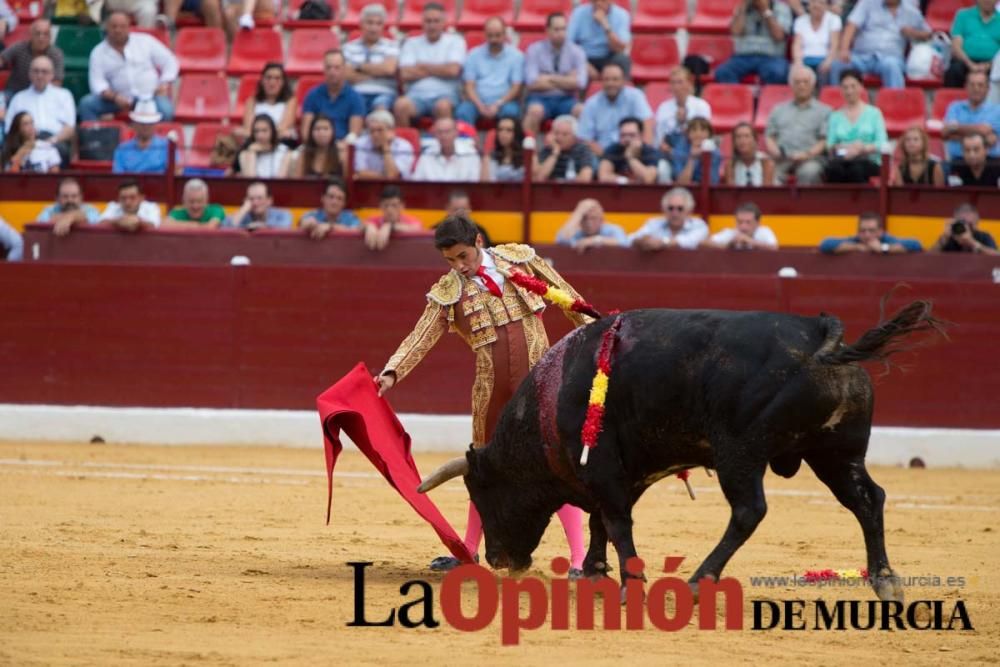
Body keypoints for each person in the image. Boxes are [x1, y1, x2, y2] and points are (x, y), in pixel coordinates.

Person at [374, 215, 592, 575]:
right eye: (450, 261)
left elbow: (567, 298)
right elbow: (421, 335)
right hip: (491, 390)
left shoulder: (519, 260)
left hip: (540, 381)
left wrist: (598, 334)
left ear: (477, 241)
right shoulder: (448, 290)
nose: (460, 267)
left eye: (463, 256)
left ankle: (580, 560)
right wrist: (392, 372)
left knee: (556, 464)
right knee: (483, 468)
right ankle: (468, 552)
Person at [79, 11, 179, 121]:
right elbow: (97, 83)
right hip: (118, 99)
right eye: (114, 26)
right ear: (107, 28)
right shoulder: (98, 52)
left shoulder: (145, 41)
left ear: (129, 27)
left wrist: (164, 83)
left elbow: (170, 61)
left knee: (166, 111)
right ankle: (95, 137)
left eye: (122, 26)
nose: (118, 30)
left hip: (150, 96)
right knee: (86, 105)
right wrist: (115, 97)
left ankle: (156, 138)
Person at [829, 0, 930, 90]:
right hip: (861, 56)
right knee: (838, 64)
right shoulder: (868, 3)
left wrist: (913, 32)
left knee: (892, 66)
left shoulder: (910, 11)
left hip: (889, 58)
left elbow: (928, 34)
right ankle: (836, 105)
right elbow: (852, 25)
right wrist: (844, 49)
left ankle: (894, 106)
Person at [394, 2, 466, 127]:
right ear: (422, 22)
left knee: (442, 106)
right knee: (400, 105)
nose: (432, 25)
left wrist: (422, 66)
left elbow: (452, 71)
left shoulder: (455, 41)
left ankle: (442, 146)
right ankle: (406, 144)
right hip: (416, 96)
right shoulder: (411, 43)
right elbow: (405, 73)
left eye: (436, 21)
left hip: (446, 95)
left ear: (444, 22)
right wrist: (440, 68)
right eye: (428, 21)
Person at [523, 11, 587, 136]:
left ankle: (579, 153)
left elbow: (580, 82)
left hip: (566, 99)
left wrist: (546, 78)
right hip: (540, 98)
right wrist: (567, 79)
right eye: (556, 29)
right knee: (534, 111)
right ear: (547, 30)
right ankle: (529, 151)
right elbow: (531, 82)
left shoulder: (577, 51)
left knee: (582, 111)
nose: (561, 33)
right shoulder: (534, 50)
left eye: (563, 29)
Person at [765, 64, 830, 185]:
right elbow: (769, 136)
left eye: (805, 82)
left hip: (811, 159)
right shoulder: (778, 110)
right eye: (797, 82)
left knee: (809, 172)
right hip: (783, 159)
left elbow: (824, 140)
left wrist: (807, 154)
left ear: (813, 85)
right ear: (791, 85)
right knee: (768, 171)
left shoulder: (825, 111)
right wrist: (776, 152)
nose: (801, 86)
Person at [4, 56, 74, 166]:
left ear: (52, 74)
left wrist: (50, 141)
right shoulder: (19, 98)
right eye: (36, 71)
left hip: (54, 141)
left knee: (62, 151)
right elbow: (10, 128)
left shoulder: (64, 95)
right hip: (25, 141)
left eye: (44, 72)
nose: (40, 75)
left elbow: (69, 129)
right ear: (29, 73)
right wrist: (29, 143)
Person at [456, 17, 523, 126]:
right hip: (477, 102)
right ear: (485, 35)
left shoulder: (516, 56)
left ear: (505, 34)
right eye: (490, 35)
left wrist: (498, 104)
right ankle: (466, 142)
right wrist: (480, 105)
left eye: (498, 35)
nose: (494, 39)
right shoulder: (473, 55)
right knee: (463, 111)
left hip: (504, 102)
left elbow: (516, 87)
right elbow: (469, 86)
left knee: (511, 112)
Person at [824, 68, 888, 183]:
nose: (849, 91)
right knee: (833, 169)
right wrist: (842, 149)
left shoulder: (874, 113)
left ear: (861, 87)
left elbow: (882, 142)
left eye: (853, 86)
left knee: (856, 169)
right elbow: (830, 144)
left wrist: (862, 148)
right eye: (845, 87)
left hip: (868, 160)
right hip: (842, 158)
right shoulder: (835, 116)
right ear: (840, 90)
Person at [577, 62, 653, 157]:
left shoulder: (635, 97)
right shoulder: (591, 103)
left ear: (623, 80)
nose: (610, 83)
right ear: (601, 81)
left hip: (634, 153)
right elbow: (585, 138)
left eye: (615, 79)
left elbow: (647, 124)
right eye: (607, 79)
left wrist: (644, 152)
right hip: (602, 154)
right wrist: (608, 157)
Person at [715, 0, 793, 85]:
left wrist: (765, 10)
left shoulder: (781, 8)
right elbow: (736, 32)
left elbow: (779, 36)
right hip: (743, 56)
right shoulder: (742, 7)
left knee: (778, 73)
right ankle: (739, 97)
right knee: (723, 73)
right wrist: (743, 9)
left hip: (772, 56)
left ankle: (767, 97)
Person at [343, 3, 400, 114]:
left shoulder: (392, 46)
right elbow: (346, 75)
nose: (374, 28)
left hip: (384, 92)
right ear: (361, 24)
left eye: (378, 24)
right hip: (356, 93)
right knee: (354, 107)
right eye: (370, 23)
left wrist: (358, 67)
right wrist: (377, 72)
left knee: (380, 110)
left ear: (383, 26)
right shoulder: (348, 47)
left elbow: (389, 69)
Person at [301, 50, 366, 142]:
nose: (332, 72)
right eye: (328, 67)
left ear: (344, 69)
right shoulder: (313, 95)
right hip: (316, 147)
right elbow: (306, 132)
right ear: (324, 69)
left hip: (342, 148)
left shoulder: (355, 98)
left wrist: (337, 149)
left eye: (337, 67)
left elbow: (354, 134)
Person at [654, 66, 712, 164]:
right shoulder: (663, 107)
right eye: (673, 82)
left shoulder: (702, 106)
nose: (676, 86)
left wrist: (684, 122)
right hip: (669, 153)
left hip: (695, 151)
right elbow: (659, 137)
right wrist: (666, 148)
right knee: (662, 166)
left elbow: (705, 134)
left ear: (689, 84)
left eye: (680, 82)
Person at [942, 71, 1000, 163]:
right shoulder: (955, 107)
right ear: (966, 87)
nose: (976, 88)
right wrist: (981, 135)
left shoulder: (997, 110)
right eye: (972, 85)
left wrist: (955, 129)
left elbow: (988, 135)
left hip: (990, 163)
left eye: (980, 85)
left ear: (988, 88)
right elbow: (945, 133)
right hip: (958, 161)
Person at [567, 0, 631, 79]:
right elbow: (568, 44)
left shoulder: (622, 15)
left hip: (609, 57)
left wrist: (605, 24)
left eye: (602, 0)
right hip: (585, 56)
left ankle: (623, 90)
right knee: (569, 61)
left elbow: (619, 49)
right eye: (595, 1)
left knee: (622, 60)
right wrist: (583, 63)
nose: (598, 3)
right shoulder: (578, 13)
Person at [628, 187, 709, 250]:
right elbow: (630, 239)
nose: (675, 213)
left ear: (689, 211)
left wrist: (663, 242)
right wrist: (640, 241)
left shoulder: (699, 226)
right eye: (670, 208)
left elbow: (690, 241)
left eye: (680, 209)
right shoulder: (653, 224)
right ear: (664, 210)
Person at [0, 19, 65, 97]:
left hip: (43, 94)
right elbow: (2, 59)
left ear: (50, 37)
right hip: (16, 91)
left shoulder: (56, 54)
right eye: (37, 34)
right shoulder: (19, 47)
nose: (41, 38)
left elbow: (57, 82)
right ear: (31, 35)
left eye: (46, 34)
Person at [944, 0, 1000, 89]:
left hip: (994, 64)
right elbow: (956, 46)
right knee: (954, 71)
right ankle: (952, 101)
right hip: (965, 61)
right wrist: (970, 64)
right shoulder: (963, 15)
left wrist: (989, 65)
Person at [412, 117, 481, 181]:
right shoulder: (426, 155)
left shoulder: (470, 154)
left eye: (447, 132)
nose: (443, 136)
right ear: (434, 135)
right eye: (440, 132)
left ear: (456, 133)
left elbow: (475, 185)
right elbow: (417, 183)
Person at [242, 63, 296, 144]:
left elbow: (284, 126)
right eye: (268, 78)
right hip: (256, 142)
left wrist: (263, 137)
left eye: (277, 78)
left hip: (281, 143)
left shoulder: (290, 101)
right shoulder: (252, 101)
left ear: (283, 82)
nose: (272, 82)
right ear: (262, 81)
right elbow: (249, 128)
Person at [112, 99, 171, 174]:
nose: (146, 127)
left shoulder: (167, 147)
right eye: (142, 123)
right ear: (134, 125)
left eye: (150, 123)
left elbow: (176, 172)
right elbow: (118, 177)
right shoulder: (122, 149)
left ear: (155, 125)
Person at [353, 109, 415, 179]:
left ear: (391, 131)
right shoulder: (361, 143)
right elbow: (361, 173)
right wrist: (386, 177)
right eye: (372, 131)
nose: (375, 135)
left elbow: (393, 175)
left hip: (396, 188)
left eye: (380, 130)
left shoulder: (404, 146)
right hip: (368, 187)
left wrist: (385, 146)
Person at [819, 212, 922, 254]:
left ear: (880, 231)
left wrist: (883, 248)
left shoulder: (886, 240)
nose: (867, 235)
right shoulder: (856, 240)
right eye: (863, 231)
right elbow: (825, 244)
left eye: (871, 231)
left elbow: (916, 244)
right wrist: (857, 247)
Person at [792, 0, 842, 86]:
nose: (817, 5)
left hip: (825, 59)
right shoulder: (800, 21)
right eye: (813, 2)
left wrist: (828, 61)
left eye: (821, 3)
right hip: (805, 59)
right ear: (808, 5)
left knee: (830, 69)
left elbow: (835, 45)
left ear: (827, 6)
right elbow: (797, 45)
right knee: (795, 71)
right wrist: (798, 62)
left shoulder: (834, 20)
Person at [533, 114, 595, 182]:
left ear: (575, 136)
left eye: (565, 134)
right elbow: (539, 177)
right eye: (556, 133)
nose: (559, 138)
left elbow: (585, 178)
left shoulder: (583, 150)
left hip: (573, 190)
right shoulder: (548, 149)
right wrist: (555, 153)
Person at [361, 184, 425, 250]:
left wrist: (390, 226)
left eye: (394, 205)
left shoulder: (411, 221)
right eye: (386, 205)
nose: (389, 210)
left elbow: (418, 229)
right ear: (380, 206)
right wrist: (369, 226)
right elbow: (360, 225)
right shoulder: (373, 220)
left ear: (402, 206)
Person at [598, 116, 658, 184]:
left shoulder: (649, 151)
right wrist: (626, 181)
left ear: (641, 135)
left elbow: (648, 179)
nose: (627, 139)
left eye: (632, 135)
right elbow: (603, 176)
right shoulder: (612, 150)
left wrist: (631, 158)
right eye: (623, 135)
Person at [555, 197, 627, 250]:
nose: (589, 223)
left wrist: (595, 240)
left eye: (593, 218)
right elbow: (561, 239)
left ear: (602, 220)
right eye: (584, 218)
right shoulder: (577, 233)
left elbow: (624, 243)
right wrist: (578, 212)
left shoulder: (612, 230)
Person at [701, 201, 778, 250]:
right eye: (740, 222)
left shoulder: (764, 232)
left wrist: (750, 241)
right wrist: (728, 245)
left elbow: (773, 247)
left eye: (748, 222)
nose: (743, 227)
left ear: (757, 223)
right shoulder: (730, 233)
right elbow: (703, 243)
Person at [235, 114, 291, 179]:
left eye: (264, 130)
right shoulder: (245, 153)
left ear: (273, 132)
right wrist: (252, 152)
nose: (260, 135)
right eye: (256, 131)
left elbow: (280, 181)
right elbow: (250, 180)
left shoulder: (285, 151)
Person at [929, 203, 999, 254]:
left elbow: (996, 257)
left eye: (970, 224)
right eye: (963, 223)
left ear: (976, 224)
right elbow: (927, 259)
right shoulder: (949, 238)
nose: (966, 228)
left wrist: (973, 243)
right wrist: (943, 239)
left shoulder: (983, 237)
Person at [672, 117, 722, 186]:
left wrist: (705, 155)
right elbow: (681, 183)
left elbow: (712, 182)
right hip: (684, 192)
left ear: (709, 134)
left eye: (703, 130)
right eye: (694, 130)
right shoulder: (680, 149)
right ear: (688, 134)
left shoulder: (715, 152)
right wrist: (692, 158)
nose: (698, 134)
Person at [224, 181, 293, 231]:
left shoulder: (283, 215)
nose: (255, 203)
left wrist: (261, 227)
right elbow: (226, 231)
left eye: (259, 198)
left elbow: (284, 230)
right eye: (251, 199)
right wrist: (243, 209)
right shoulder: (240, 215)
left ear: (269, 200)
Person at [481, 115, 526, 182]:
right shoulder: (489, 158)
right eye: (500, 130)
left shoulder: (528, 156)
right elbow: (485, 187)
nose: (503, 133)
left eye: (509, 130)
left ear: (517, 133)